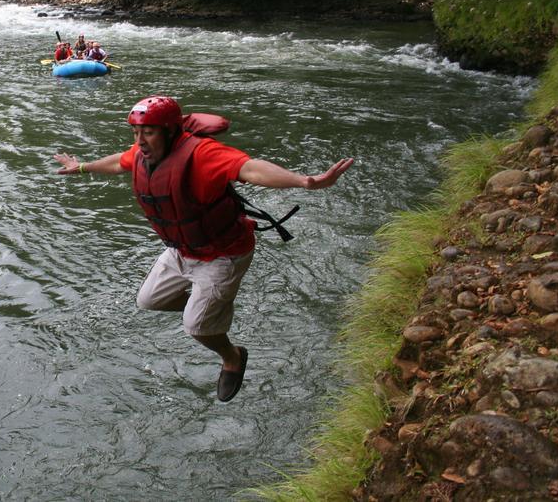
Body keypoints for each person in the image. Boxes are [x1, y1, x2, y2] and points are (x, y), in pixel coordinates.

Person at [53, 95, 354, 402]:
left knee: (195, 326)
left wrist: (304, 182)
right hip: (182, 251)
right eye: (135, 133)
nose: (140, 140)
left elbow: (251, 169)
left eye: (149, 132)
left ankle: (232, 356)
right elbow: (119, 161)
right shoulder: (145, 153)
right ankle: (210, 309)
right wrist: (81, 167)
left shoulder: (203, 154)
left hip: (224, 253)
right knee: (149, 300)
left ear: (171, 131)